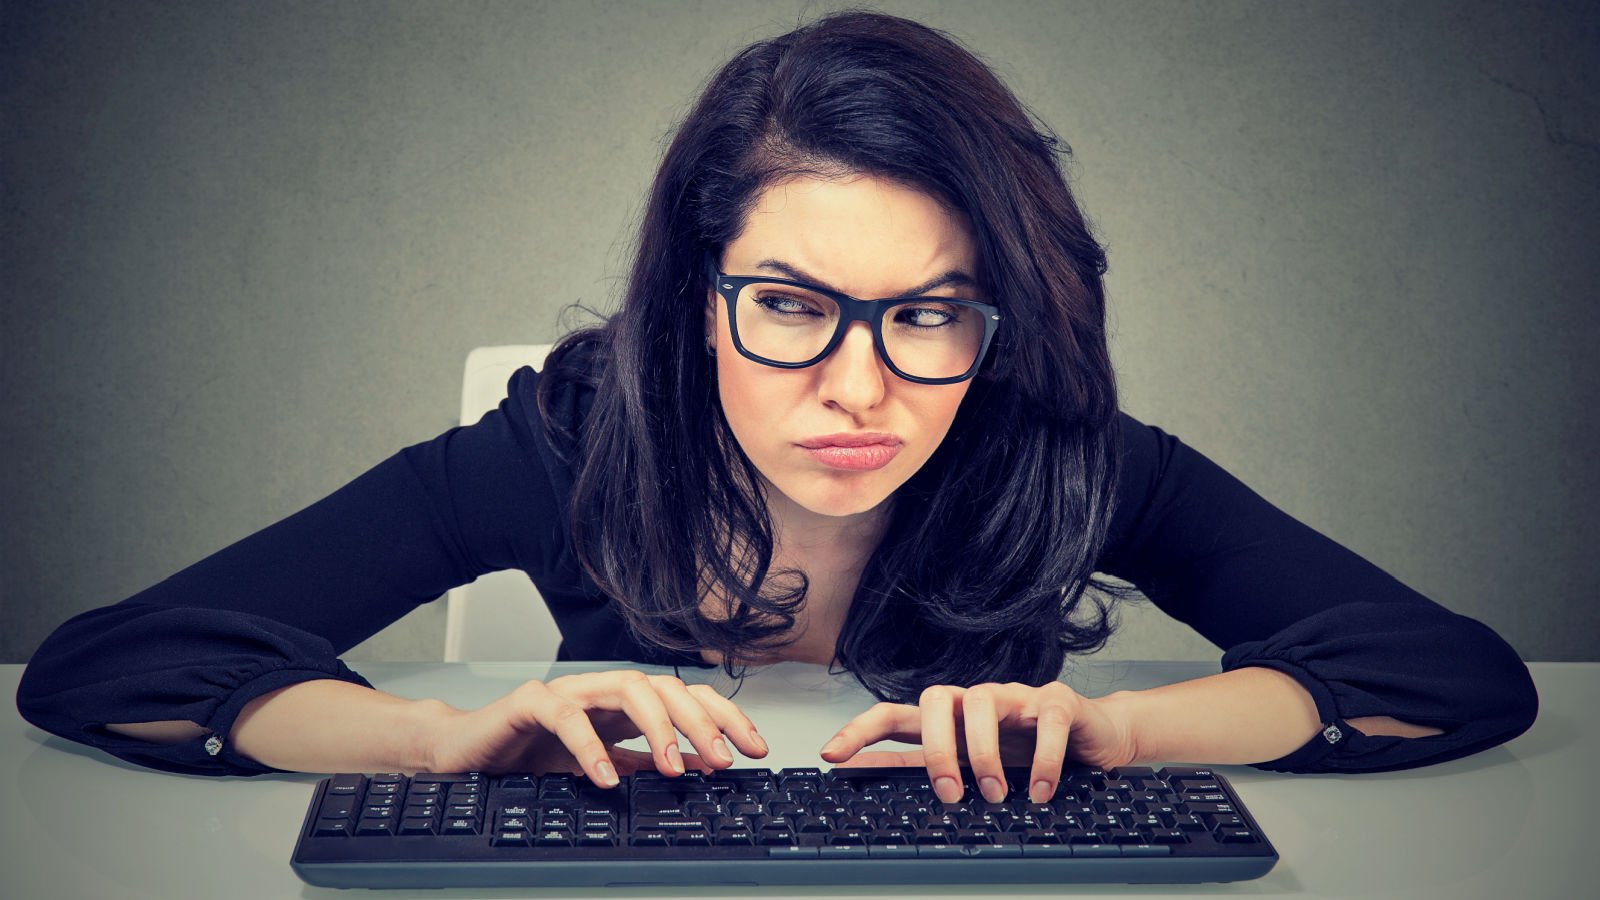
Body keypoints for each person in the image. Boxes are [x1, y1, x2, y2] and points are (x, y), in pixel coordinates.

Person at [16, 10, 1536, 804]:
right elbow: (114, 665)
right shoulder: (568, 441)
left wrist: (1116, 735)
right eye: (795, 306)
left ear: (999, 322)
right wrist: (436, 742)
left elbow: (1448, 673)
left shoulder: (1067, 461)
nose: (861, 388)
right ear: (697, 299)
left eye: (930, 312)